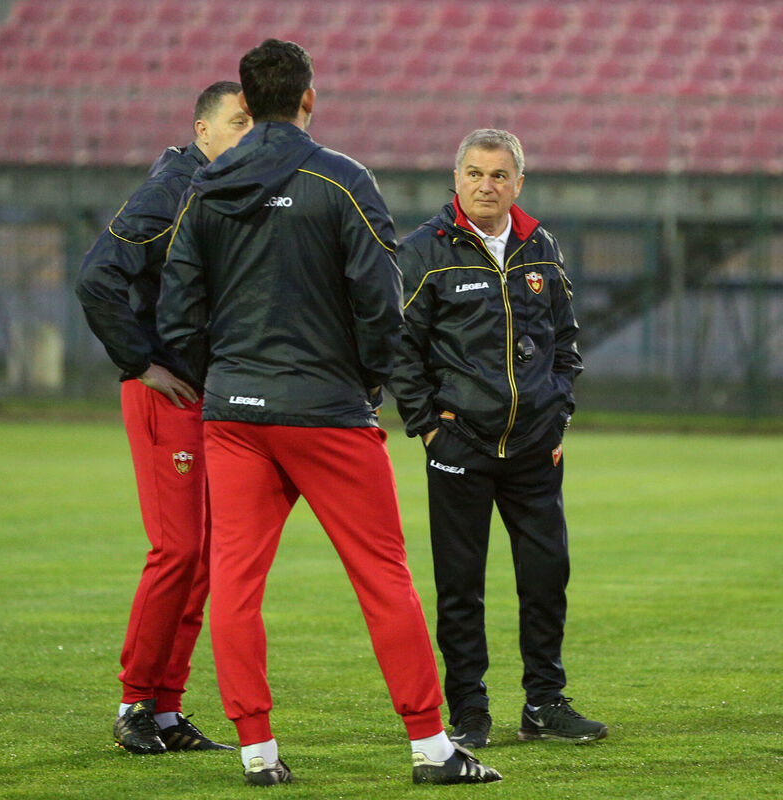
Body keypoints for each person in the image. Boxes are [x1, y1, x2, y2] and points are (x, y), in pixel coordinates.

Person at [157, 39, 501, 787]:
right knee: (383, 578)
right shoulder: (342, 180)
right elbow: (381, 302)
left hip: (235, 416)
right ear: (308, 98)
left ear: (246, 105)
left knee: (236, 582)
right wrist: (367, 382)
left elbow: (177, 310)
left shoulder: (205, 187)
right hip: (326, 412)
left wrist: (221, 377)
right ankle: (432, 748)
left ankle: (257, 753)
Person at [389, 129, 607, 748]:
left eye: (499, 175)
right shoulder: (422, 251)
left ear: (518, 184)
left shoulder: (542, 246)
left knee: (546, 576)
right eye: (476, 174)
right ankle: (470, 710)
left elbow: (565, 342)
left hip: (535, 447)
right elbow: (399, 347)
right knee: (461, 585)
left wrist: (558, 417)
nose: (486, 185)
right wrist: (428, 427)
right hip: (459, 445)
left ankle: (544, 703)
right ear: (456, 179)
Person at [76, 81, 251, 755]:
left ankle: (168, 710)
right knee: (177, 550)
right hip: (166, 394)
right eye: (237, 122)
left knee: (201, 559)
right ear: (202, 130)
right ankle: (133, 705)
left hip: (207, 393)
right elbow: (97, 277)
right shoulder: (171, 191)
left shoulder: (224, 190)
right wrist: (140, 362)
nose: (248, 133)